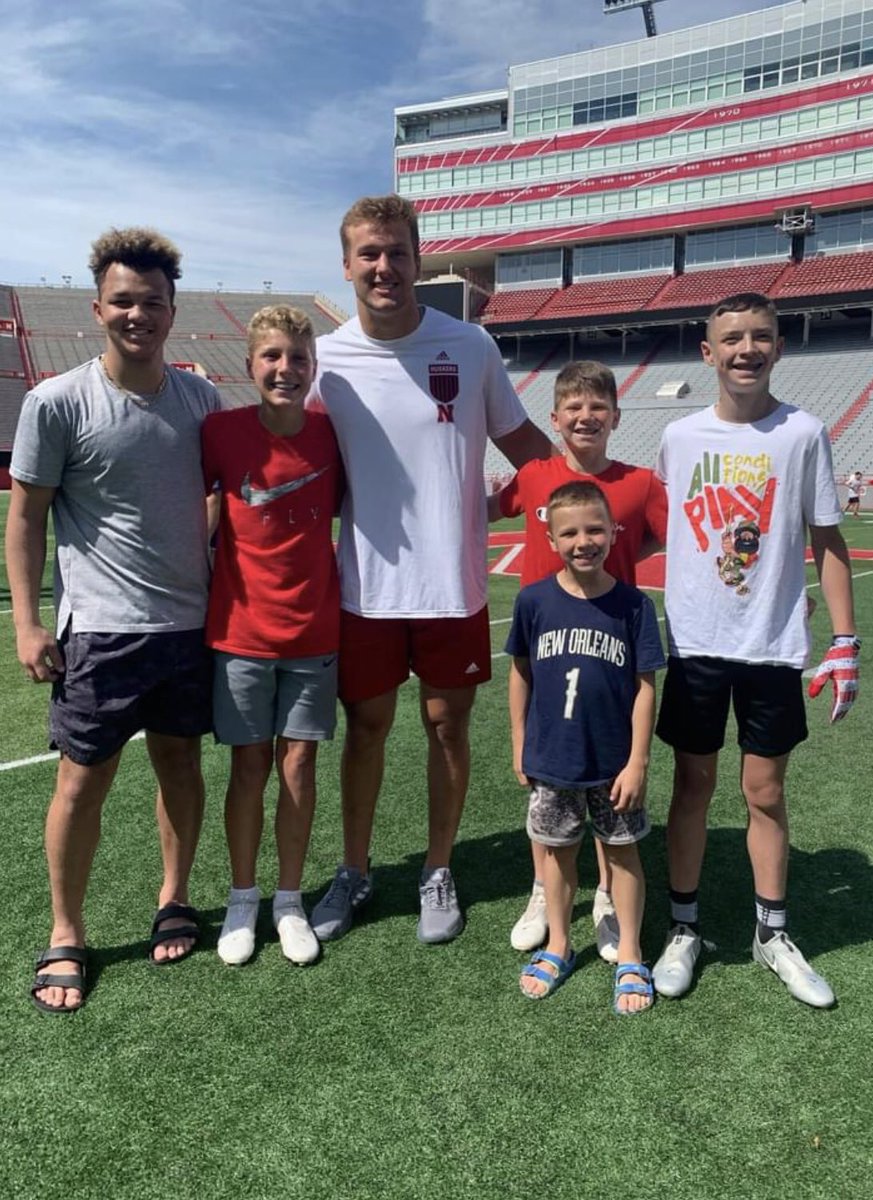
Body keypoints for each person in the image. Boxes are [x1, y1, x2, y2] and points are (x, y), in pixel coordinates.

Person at [309, 194, 553, 944]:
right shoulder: (326, 360)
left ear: (419, 259)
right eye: (369, 254)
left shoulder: (471, 346)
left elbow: (526, 449)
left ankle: (437, 869)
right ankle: (354, 871)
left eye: (397, 252)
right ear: (347, 264)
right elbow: (295, 464)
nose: (384, 267)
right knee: (366, 731)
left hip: (452, 584)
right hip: (365, 588)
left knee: (448, 730)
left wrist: (604, 496)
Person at [7, 227, 221, 1013]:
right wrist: (28, 624)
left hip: (188, 628)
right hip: (99, 630)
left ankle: (174, 897)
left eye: (152, 302)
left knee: (180, 767)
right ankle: (66, 932)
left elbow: (215, 495)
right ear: (98, 307)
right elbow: (26, 517)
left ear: (173, 310)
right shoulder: (55, 402)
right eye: (123, 301)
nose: (139, 314)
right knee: (80, 784)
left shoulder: (202, 398)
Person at [652, 292, 859, 1009]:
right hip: (695, 642)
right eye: (731, 338)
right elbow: (659, 533)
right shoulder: (678, 438)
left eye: (760, 336)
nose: (746, 348)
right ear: (707, 353)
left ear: (778, 347)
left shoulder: (802, 433)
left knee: (764, 791)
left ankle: (770, 932)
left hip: (771, 646)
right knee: (692, 785)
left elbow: (826, 540)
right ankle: (683, 926)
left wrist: (844, 640)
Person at [489, 360, 667, 961]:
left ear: (615, 415)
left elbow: (664, 536)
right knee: (548, 777)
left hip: (608, 649)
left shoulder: (641, 482)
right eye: (574, 407)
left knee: (604, 772)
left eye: (597, 407)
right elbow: (488, 509)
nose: (586, 417)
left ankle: (608, 895)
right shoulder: (534, 474)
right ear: (556, 417)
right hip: (545, 644)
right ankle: (544, 888)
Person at [201, 306, 341, 967]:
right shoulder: (220, 433)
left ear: (313, 367)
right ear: (251, 364)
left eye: (298, 358)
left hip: (314, 631)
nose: (286, 369)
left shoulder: (331, 434)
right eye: (273, 357)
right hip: (240, 635)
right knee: (248, 768)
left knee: (299, 766)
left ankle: (289, 899)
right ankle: (242, 897)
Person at [506, 480, 664, 1011]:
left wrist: (638, 759)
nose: (583, 541)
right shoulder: (533, 601)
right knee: (556, 856)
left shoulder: (632, 606)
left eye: (595, 528)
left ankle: (631, 954)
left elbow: (645, 685)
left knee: (622, 856)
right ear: (549, 538)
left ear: (615, 532)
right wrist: (519, 739)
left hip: (613, 762)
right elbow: (521, 674)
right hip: (554, 758)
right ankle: (558, 942)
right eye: (569, 531)